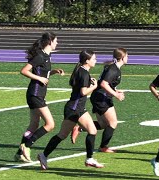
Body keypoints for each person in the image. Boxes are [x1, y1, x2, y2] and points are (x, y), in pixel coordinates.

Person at [37, 50, 104, 170]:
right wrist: (94, 87)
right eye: (94, 58)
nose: (96, 60)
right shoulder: (83, 73)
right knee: (63, 134)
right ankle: (44, 155)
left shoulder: (83, 71)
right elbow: (83, 92)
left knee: (90, 131)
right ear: (87, 61)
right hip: (74, 109)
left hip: (78, 108)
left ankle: (89, 158)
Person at [14, 32, 64, 162]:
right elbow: (24, 71)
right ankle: (27, 146)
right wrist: (39, 78)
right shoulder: (40, 56)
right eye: (56, 41)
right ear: (50, 42)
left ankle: (19, 153)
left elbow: (42, 72)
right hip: (35, 94)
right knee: (50, 124)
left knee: (33, 125)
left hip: (37, 94)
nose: (57, 43)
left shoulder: (47, 56)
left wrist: (53, 72)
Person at [70, 48, 127, 153]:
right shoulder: (113, 69)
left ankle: (79, 128)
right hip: (101, 98)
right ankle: (103, 147)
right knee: (113, 122)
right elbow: (103, 84)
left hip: (101, 96)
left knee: (103, 124)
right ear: (122, 57)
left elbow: (107, 84)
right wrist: (116, 95)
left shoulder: (114, 68)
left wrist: (116, 91)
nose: (128, 58)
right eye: (127, 56)